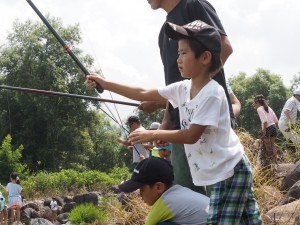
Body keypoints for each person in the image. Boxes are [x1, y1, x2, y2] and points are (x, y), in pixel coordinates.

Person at [87, 20, 261, 224]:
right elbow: (143, 92)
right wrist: (106, 84)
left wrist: (153, 134)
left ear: (205, 57)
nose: (178, 59)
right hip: (219, 171)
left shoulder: (212, 93)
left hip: (229, 171)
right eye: (178, 53)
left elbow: (191, 135)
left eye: (184, 53)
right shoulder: (183, 88)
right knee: (249, 221)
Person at [137, 0, 234, 195]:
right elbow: (176, 88)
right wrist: (166, 120)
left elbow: (224, 47)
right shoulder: (165, 32)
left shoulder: (194, 5)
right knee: (188, 193)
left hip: (209, 123)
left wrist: (200, 89)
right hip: (180, 125)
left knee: (224, 194)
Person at [116, 157, 210, 225]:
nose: (140, 195)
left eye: (142, 190)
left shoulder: (166, 202)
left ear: (158, 187)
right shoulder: (180, 191)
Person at [253, 94, 279, 166]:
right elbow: (276, 120)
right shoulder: (269, 108)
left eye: (254, 103)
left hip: (267, 128)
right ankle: (275, 162)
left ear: (257, 102)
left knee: (267, 146)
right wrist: (276, 129)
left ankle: (269, 162)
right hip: (273, 127)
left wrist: (264, 132)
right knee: (272, 145)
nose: (254, 104)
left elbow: (264, 121)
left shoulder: (259, 109)